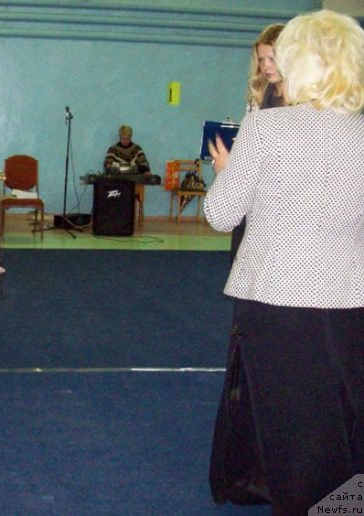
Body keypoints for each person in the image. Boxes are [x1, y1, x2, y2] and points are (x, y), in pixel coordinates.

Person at [205, 10, 364, 514]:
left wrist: (227, 172)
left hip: (276, 303)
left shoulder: (266, 127)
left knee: (294, 438)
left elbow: (220, 213)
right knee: (346, 427)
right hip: (352, 301)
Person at [227, 23, 286, 262]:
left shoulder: (302, 101)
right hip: (252, 199)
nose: (266, 67)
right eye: (262, 60)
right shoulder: (259, 96)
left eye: (272, 59)